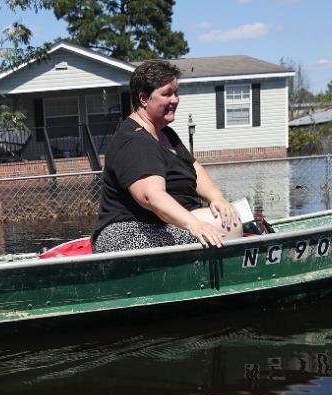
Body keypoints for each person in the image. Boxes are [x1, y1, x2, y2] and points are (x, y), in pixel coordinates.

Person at [93, 60, 242, 253]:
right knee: (226, 225)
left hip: (160, 225)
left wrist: (217, 198)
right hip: (126, 235)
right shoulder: (134, 141)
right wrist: (194, 224)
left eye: (176, 93)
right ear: (144, 98)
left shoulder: (166, 134)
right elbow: (150, 196)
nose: (175, 100)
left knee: (228, 216)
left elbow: (194, 169)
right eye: (167, 94)